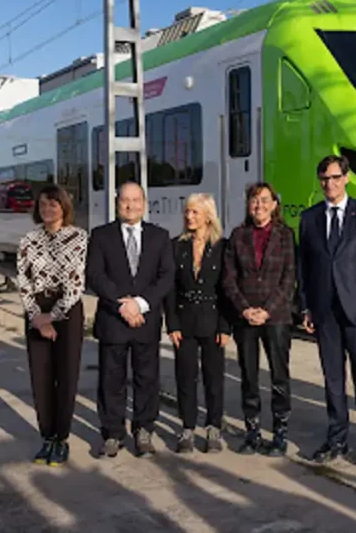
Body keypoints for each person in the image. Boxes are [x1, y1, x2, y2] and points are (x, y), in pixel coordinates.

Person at [298, 154, 356, 466]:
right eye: (324, 179)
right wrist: (307, 307)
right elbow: (304, 268)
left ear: (347, 178)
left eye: (336, 178)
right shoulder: (309, 219)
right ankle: (336, 439)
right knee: (333, 379)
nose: (330, 184)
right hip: (325, 312)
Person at [87, 181, 175, 457]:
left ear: (144, 203)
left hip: (145, 321)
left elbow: (167, 276)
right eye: (125, 200)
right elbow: (95, 276)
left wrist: (139, 304)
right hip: (113, 321)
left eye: (136, 200)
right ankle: (113, 433)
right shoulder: (101, 236)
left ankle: (144, 430)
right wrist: (121, 305)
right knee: (111, 380)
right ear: (117, 202)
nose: (131, 205)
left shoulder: (160, 237)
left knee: (146, 379)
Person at [16, 184, 89, 467]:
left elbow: (76, 282)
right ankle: (47, 437)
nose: (48, 209)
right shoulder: (28, 239)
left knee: (66, 376)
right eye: (44, 204)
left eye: (53, 204)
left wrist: (53, 316)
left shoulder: (78, 238)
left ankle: (62, 439)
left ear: (64, 207)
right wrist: (36, 315)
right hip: (36, 309)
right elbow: (23, 280)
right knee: (41, 377)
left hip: (67, 312)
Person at [223, 182, 297, 456]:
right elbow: (229, 279)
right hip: (245, 318)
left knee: (279, 376)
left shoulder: (285, 235)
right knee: (249, 376)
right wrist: (244, 309)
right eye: (255, 200)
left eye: (265, 200)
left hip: (276, 317)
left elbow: (289, 278)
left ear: (275, 205)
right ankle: (252, 432)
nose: (259, 206)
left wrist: (267, 310)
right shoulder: (238, 235)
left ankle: (280, 434)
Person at [165, 193, 230, 454]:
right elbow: (170, 289)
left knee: (214, 378)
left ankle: (214, 427)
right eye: (187, 212)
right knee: (185, 376)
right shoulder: (176, 246)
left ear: (208, 215)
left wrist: (226, 326)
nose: (189, 217)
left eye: (194, 212)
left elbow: (227, 290)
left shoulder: (222, 247)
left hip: (213, 320)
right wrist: (171, 324)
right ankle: (188, 427)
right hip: (184, 320)